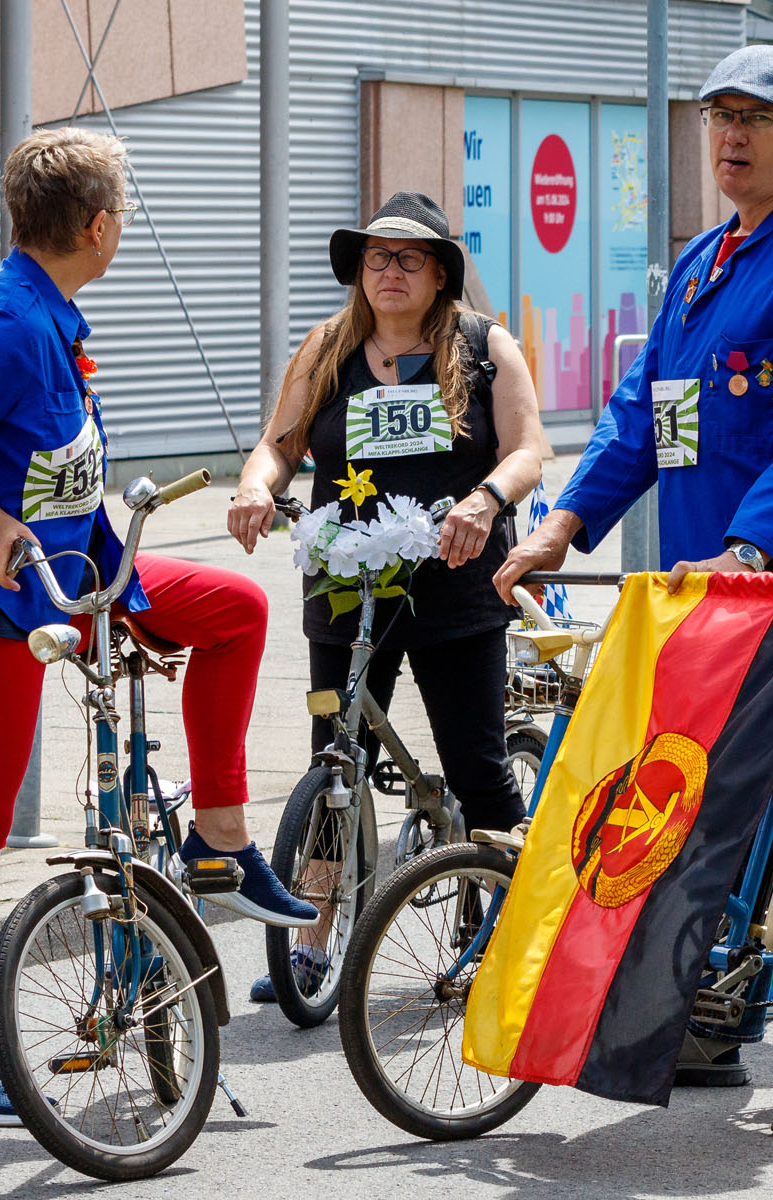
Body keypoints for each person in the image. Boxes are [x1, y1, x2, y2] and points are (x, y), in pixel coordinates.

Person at [495, 46, 773, 1136]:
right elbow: (644, 415)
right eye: (717, 116)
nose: (731, 136)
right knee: (685, 801)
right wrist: (566, 524)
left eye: (756, 118)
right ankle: (711, 1019)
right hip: (701, 595)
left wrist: (750, 551)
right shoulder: (698, 264)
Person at [0, 127, 315, 1127]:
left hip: (68, 579)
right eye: (127, 214)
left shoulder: (45, 310)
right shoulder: (11, 325)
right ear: (99, 225)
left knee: (235, 610)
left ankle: (220, 840)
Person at [229, 191, 544, 995]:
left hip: (456, 579)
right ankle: (316, 935)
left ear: (440, 274)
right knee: (337, 761)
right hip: (347, 584)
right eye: (377, 257)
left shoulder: (483, 347)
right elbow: (278, 445)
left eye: (408, 258)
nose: (390, 271)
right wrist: (256, 488)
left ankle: (519, 928)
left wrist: (485, 500)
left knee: (476, 765)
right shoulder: (328, 348)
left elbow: (528, 450)